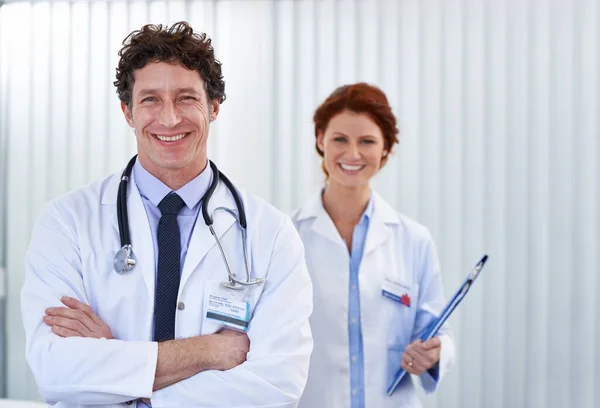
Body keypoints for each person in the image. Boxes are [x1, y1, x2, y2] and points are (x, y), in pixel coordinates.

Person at [21, 22, 313, 408]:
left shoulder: (270, 233)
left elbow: (277, 385)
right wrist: (207, 352)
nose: (170, 119)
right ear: (127, 112)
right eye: (150, 100)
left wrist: (116, 363)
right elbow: (55, 371)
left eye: (186, 98)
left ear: (214, 106)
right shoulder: (67, 222)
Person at [292, 83, 455, 408]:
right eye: (340, 139)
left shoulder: (413, 240)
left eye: (366, 141)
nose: (352, 154)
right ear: (320, 141)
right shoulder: (288, 237)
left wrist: (435, 353)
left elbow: (437, 330)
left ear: (385, 149)